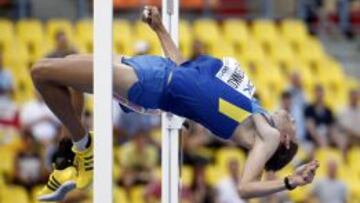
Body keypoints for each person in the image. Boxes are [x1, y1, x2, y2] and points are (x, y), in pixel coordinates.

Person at [31, 6, 318, 201]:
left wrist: (289, 182)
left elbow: (244, 188)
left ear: (284, 140)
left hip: (152, 84)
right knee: (65, 67)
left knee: (41, 72)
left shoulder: (264, 136)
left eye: (292, 123)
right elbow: (185, 67)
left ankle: (82, 149)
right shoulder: (249, 103)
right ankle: (75, 155)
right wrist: (159, 29)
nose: (291, 117)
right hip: (156, 68)